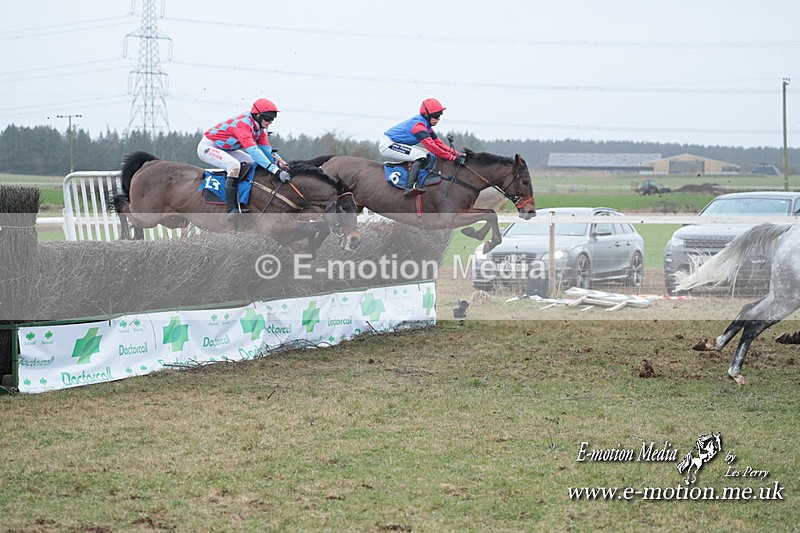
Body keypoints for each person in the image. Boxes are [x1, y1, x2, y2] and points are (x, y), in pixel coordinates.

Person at [197, 98, 291, 221]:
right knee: (234, 166)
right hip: (208, 146)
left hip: (226, 148)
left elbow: (268, 153)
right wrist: (276, 171)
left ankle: (246, 199)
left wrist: (282, 165)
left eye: (272, 119)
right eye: (268, 119)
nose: (270, 122)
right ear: (258, 115)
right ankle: (231, 209)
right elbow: (254, 151)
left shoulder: (259, 131)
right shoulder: (243, 124)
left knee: (253, 164)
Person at [379, 98, 465, 195]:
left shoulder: (426, 125)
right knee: (420, 155)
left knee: (428, 155)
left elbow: (439, 143)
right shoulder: (419, 126)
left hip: (397, 143)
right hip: (388, 144)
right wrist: (453, 158)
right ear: (426, 115)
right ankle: (409, 187)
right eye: (436, 116)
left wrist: (457, 154)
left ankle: (418, 179)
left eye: (440, 116)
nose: (438, 119)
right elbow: (433, 147)